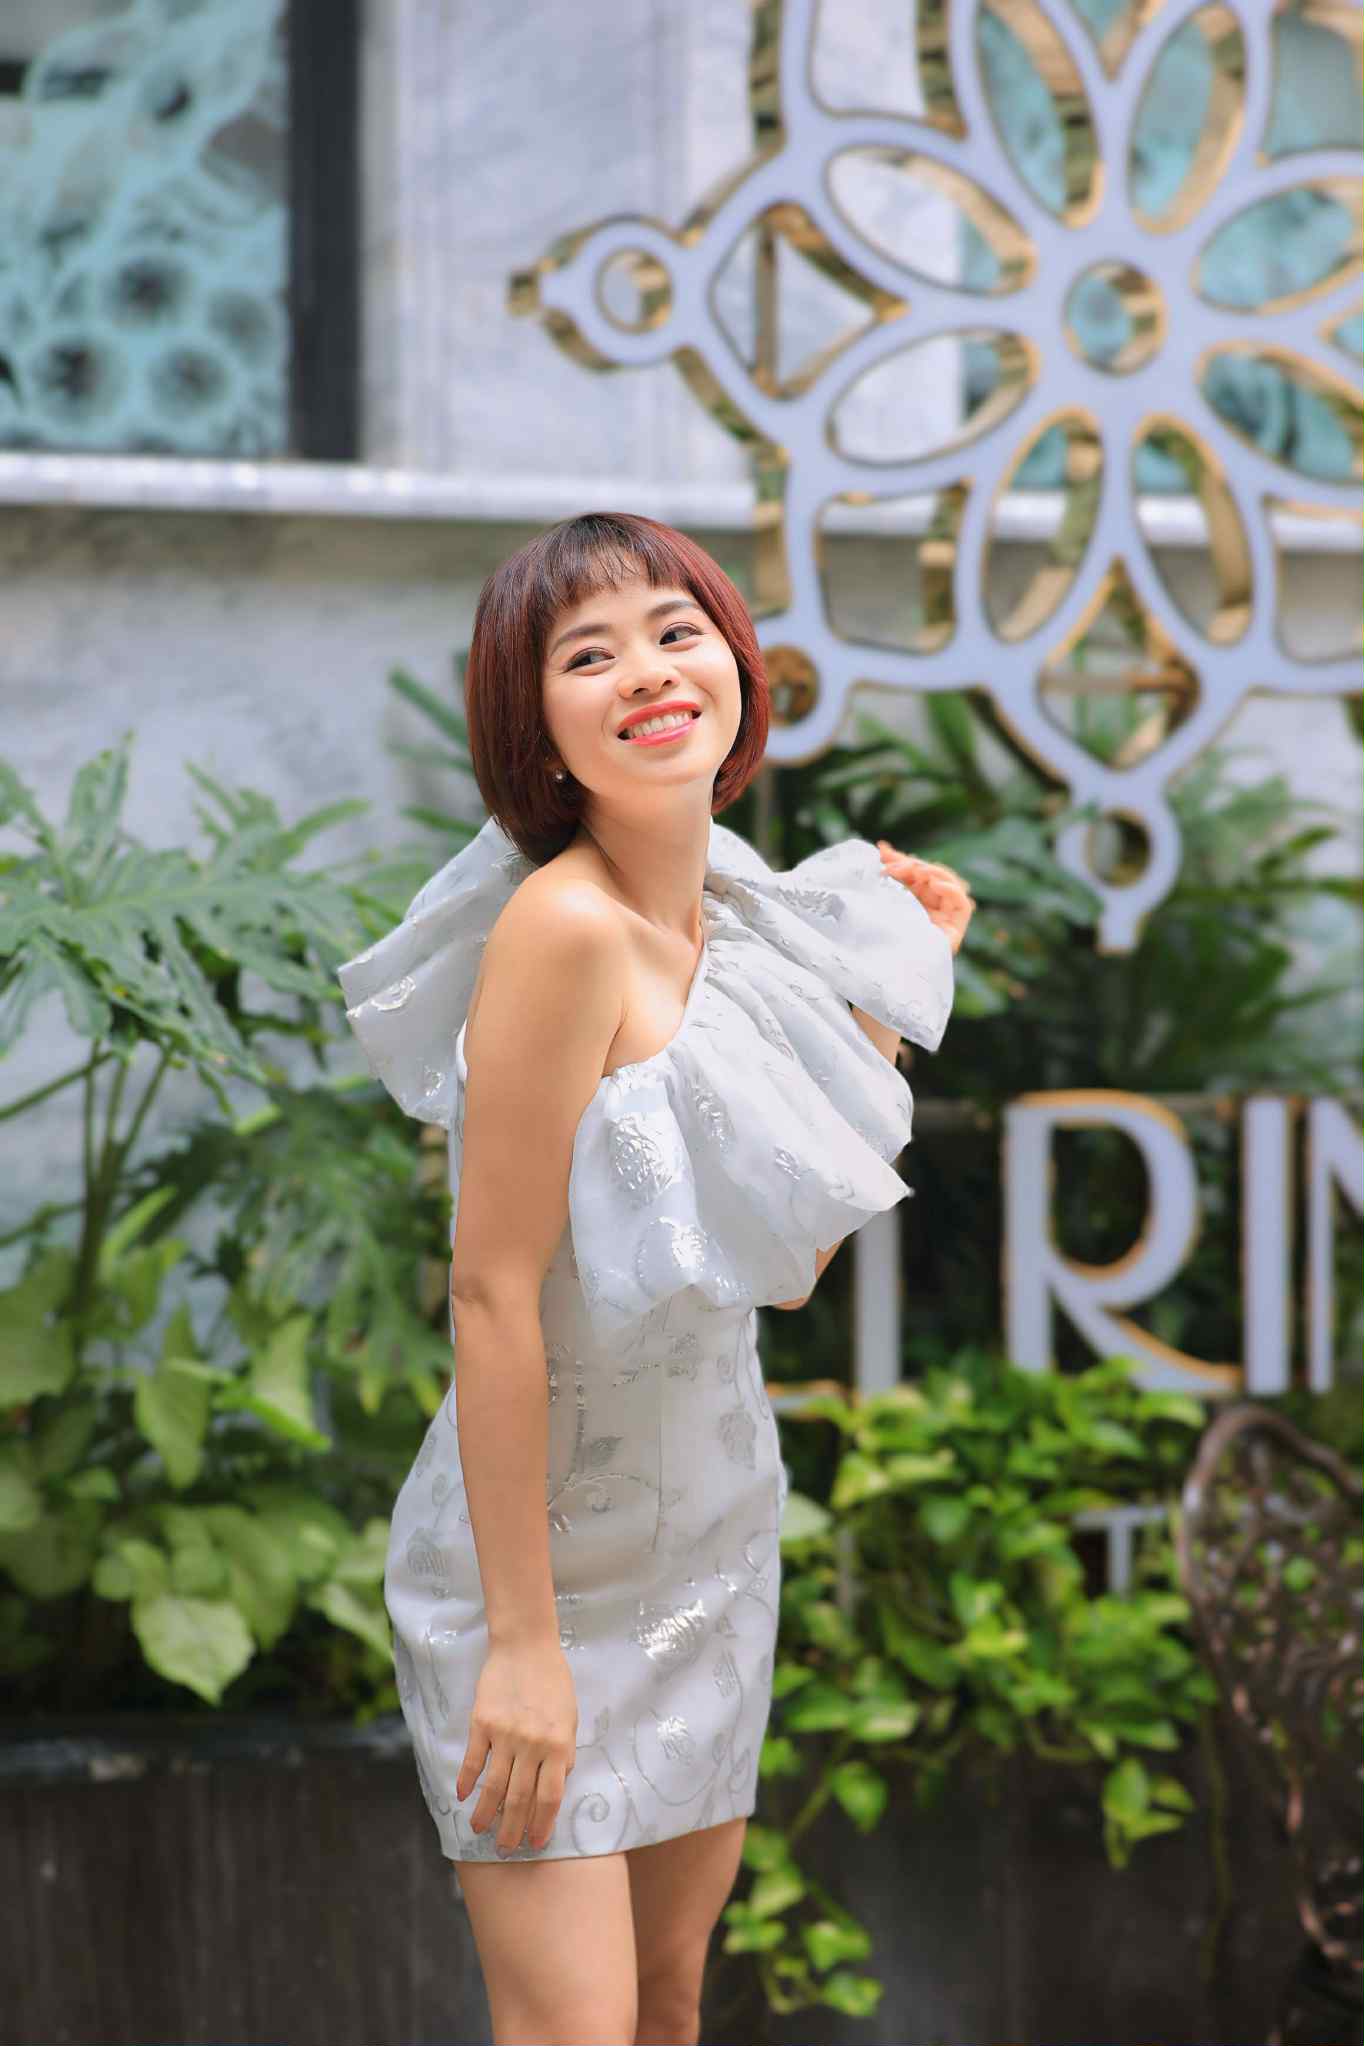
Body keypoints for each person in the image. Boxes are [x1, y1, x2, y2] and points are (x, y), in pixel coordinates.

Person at [339, 511, 974, 2046]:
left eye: (676, 631)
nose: (647, 670)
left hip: (712, 1541)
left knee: (670, 2008)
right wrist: (524, 1643)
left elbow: (785, 1264)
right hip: (540, 1578)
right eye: (589, 652)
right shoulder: (559, 929)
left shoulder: (740, 916)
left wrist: (894, 990)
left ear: (735, 665)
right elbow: (489, 1293)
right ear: (536, 726)